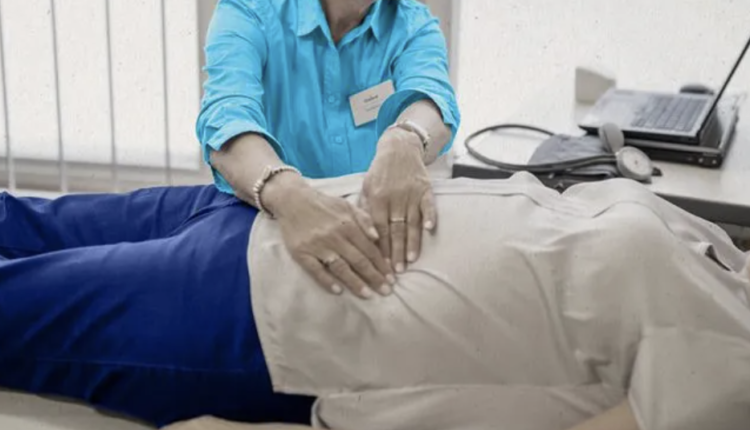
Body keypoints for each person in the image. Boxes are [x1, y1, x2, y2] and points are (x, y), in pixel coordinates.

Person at [1, 173, 749, 430]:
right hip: (277, 210)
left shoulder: (730, 366)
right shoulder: (724, 254)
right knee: (18, 216)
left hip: (264, 317)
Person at [198, 0, 460, 298]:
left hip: (371, 236)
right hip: (266, 222)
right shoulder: (250, 9)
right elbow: (226, 118)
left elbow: (433, 99)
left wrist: (406, 139)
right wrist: (289, 195)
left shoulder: (413, 24)